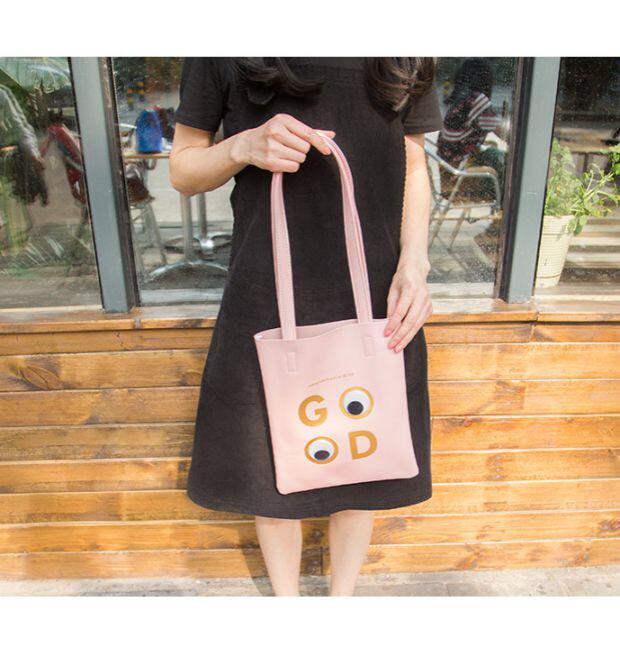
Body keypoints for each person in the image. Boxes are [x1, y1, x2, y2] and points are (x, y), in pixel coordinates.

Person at [170, 57, 443, 596]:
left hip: (374, 284)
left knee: (366, 456)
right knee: (273, 464)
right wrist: (243, 147)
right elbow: (182, 169)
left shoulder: (404, 45)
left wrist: (414, 261)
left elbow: (412, 162)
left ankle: (341, 603)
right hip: (267, 285)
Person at [436, 58, 505, 200]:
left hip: (448, 176)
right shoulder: (476, 100)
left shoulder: (457, 99)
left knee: (492, 152)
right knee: (507, 160)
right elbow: (504, 133)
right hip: (461, 179)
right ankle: (505, 205)